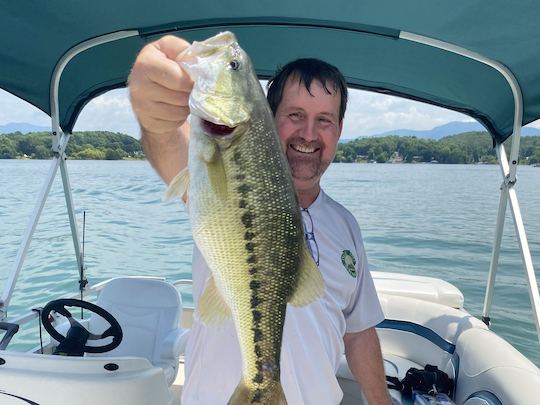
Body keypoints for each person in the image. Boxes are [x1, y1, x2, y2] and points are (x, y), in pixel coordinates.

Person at [128, 35, 391, 405]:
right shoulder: (232, 183)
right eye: (295, 116)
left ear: (339, 130)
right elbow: (170, 145)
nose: (309, 134)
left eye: (324, 120)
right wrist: (154, 115)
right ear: (268, 117)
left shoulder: (346, 225)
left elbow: (358, 331)